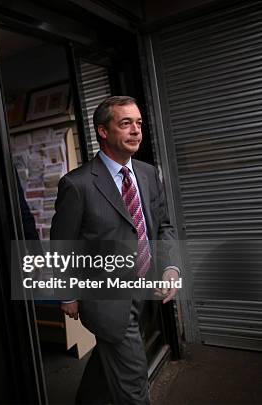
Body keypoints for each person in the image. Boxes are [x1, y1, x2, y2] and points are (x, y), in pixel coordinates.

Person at [50, 96, 180, 404]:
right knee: (134, 383)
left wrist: (171, 268)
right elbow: (61, 242)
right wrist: (67, 293)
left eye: (138, 123)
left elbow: (163, 226)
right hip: (106, 300)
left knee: (108, 367)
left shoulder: (148, 174)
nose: (136, 131)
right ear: (103, 131)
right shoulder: (77, 184)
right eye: (126, 123)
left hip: (145, 290)